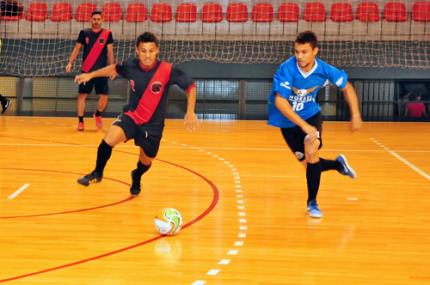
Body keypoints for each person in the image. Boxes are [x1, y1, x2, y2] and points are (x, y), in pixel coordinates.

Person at [74, 32, 198, 196]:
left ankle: (136, 175)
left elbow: (191, 87)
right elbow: (113, 68)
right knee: (108, 139)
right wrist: (90, 75)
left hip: (153, 126)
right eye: (144, 51)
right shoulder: (131, 65)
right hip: (132, 117)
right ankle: (97, 173)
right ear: (137, 51)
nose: (147, 55)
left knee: (146, 161)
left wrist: (190, 111)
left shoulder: (168, 70)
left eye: (151, 51)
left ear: (157, 51)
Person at [267, 31, 362, 218]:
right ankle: (337, 165)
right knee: (310, 164)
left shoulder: (325, 70)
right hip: (288, 123)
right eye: (296, 52)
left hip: (311, 115)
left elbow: (347, 87)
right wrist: (303, 126)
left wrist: (356, 114)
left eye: (304, 52)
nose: (299, 56)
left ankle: (312, 203)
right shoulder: (287, 69)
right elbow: (280, 102)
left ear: (315, 51)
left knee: (311, 151)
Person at [66, 10, 114, 131]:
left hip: (102, 71)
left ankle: (98, 114)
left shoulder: (107, 34)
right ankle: (81, 122)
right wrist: (70, 62)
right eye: (94, 19)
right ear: (90, 20)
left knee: (104, 97)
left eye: (98, 19)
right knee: (82, 96)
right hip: (86, 71)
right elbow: (77, 49)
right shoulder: (84, 33)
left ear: (102, 20)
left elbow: (110, 52)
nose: (96, 21)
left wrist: (112, 68)